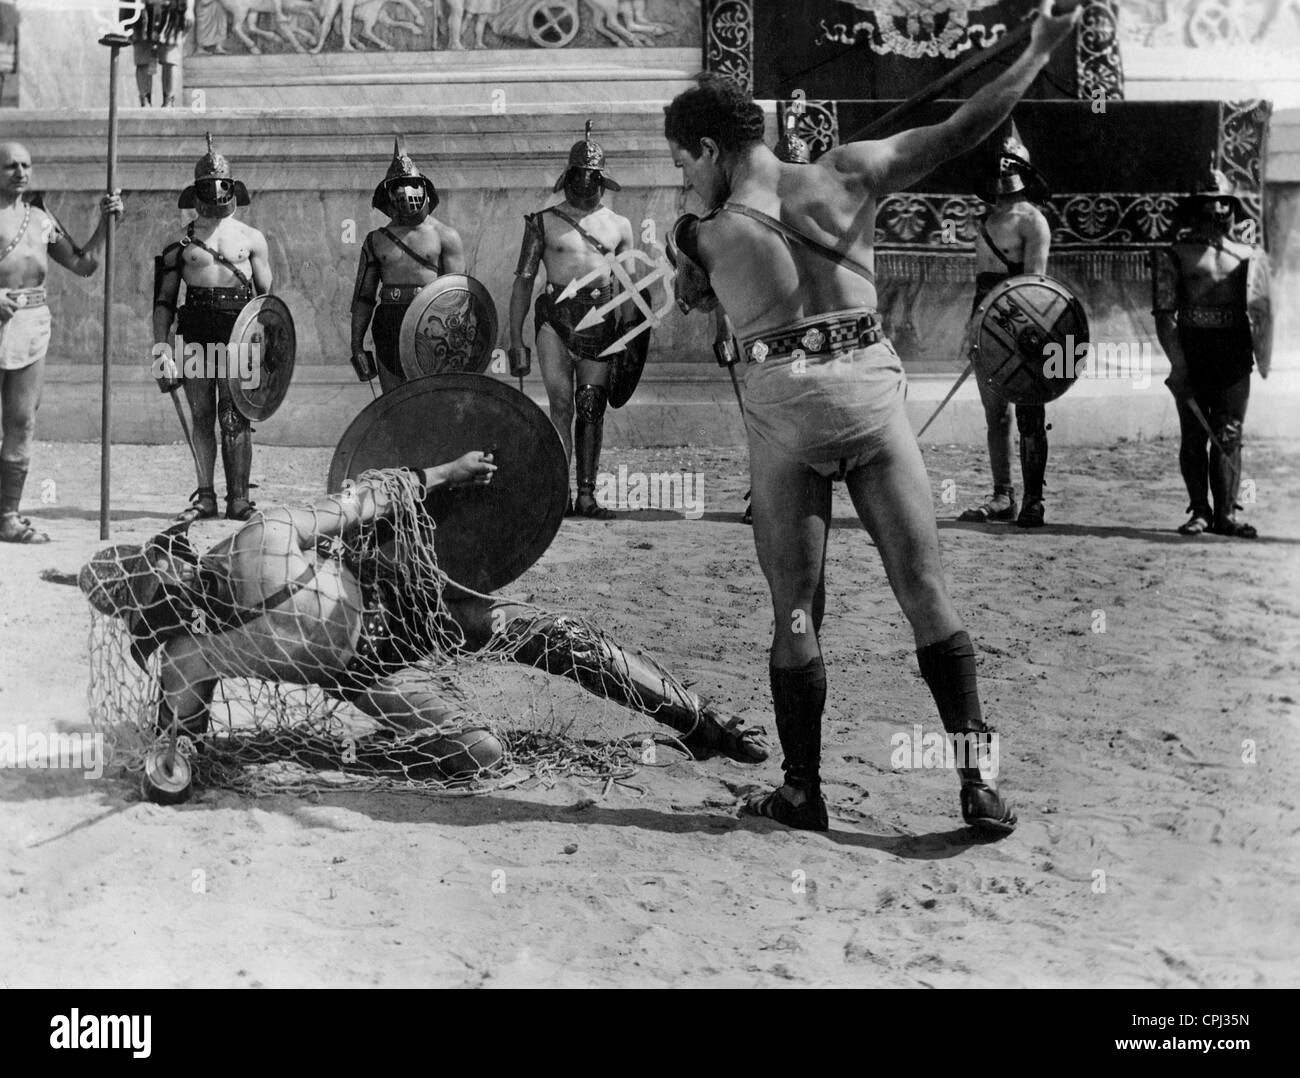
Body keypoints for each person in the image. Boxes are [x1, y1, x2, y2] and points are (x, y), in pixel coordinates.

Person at [661, 1, 1081, 833]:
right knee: (925, 593)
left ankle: (803, 791)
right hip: (868, 398)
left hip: (787, 414)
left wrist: (696, 257)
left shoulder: (700, 233)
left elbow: (694, 292)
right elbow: (964, 129)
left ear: (710, 150)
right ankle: (978, 786)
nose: (685, 180)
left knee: (794, 609)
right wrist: (1036, 51)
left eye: (684, 164)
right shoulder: (849, 172)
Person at [79, 453, 768, 780]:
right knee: (479, 754)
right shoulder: (186, 658)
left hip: (400, 599)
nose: (167, 592)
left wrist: (448, 470)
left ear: (173, 562)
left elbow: (367, 499)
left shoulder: (260, 538)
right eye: (149, 600)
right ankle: (334, 750)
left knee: (556, 638)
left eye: (160, 578)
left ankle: (699, 724)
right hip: (362, 675)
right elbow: (180, 752)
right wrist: (169, 767)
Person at [509, 121, 635, 519]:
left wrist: (629, 338)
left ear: (601, 179)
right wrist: (515, 338)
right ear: (568, 178)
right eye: (578, 176)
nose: (585, 183)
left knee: (591, 405)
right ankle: (557, 492)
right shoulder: (542, 222)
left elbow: (630, 287)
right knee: (560, 405)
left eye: (591, 176)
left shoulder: (620, 226)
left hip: (599, 322)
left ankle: (586, 495)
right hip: (555, 321)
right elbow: (524, 281)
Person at [0, 142, 122, 544]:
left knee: (22, 420)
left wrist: (107, 224)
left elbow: (83, 264)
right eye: (10, 166)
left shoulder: (40, 220)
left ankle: (7, 515)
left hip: (31, 327)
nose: (19, 172)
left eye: (25, 165)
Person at [155, 134, 272, 523]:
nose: (218, 192)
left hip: (239, 330)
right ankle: (206, 496)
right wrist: (161, 350)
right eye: (211, 186)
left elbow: (267, 300)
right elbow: (164, 304)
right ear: (198, 192)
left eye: (223, 185)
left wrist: (268, 345)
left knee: (235, 416)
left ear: (232, 189)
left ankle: (239, 498)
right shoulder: (181, 247)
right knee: (202, 414)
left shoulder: (252, 238)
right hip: (196, 330)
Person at [1152, 164, 1269, 539]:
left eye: (1223, 203)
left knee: (1230, 434)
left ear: (1231, 207)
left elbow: (1261, 309)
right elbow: (1165, 314)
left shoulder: (1248, 255)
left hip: (1233, 351)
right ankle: (1200, 511)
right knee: (1194, 435)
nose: (1217, 211)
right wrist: (1179, 363)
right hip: (1192, 348)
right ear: (1196, 207)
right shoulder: (1176, 254)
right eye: (1209, 203)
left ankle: (1227, 515)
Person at [957, 131, 1053, 527]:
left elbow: (1034, 286)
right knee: (995, 415)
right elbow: (982, 283)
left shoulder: (1033, 221)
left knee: (1030, 413)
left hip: (1023, 327)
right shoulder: (984, 221)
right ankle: (1003, 496)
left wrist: (1015, 331)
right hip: (985, 325)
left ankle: (1033, 499)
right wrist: (974, 328)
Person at [350, 140, 466, 394]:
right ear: (389, 193)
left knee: (432, 401)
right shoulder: (376, 240)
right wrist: (356, 345)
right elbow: (364, 298)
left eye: (412, 183)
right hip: (389, 322)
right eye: (399, 186)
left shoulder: (445, 236)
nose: (406, 190)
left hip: (432, 324)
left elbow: (458, 297)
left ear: (424, 187)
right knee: (395, 401)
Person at [127, 1, 194, 107]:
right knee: (142, 58)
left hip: (172, 11)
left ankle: (169, 100)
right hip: (141, 10)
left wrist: (189, 9)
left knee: (170, 59)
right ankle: (145, 100)